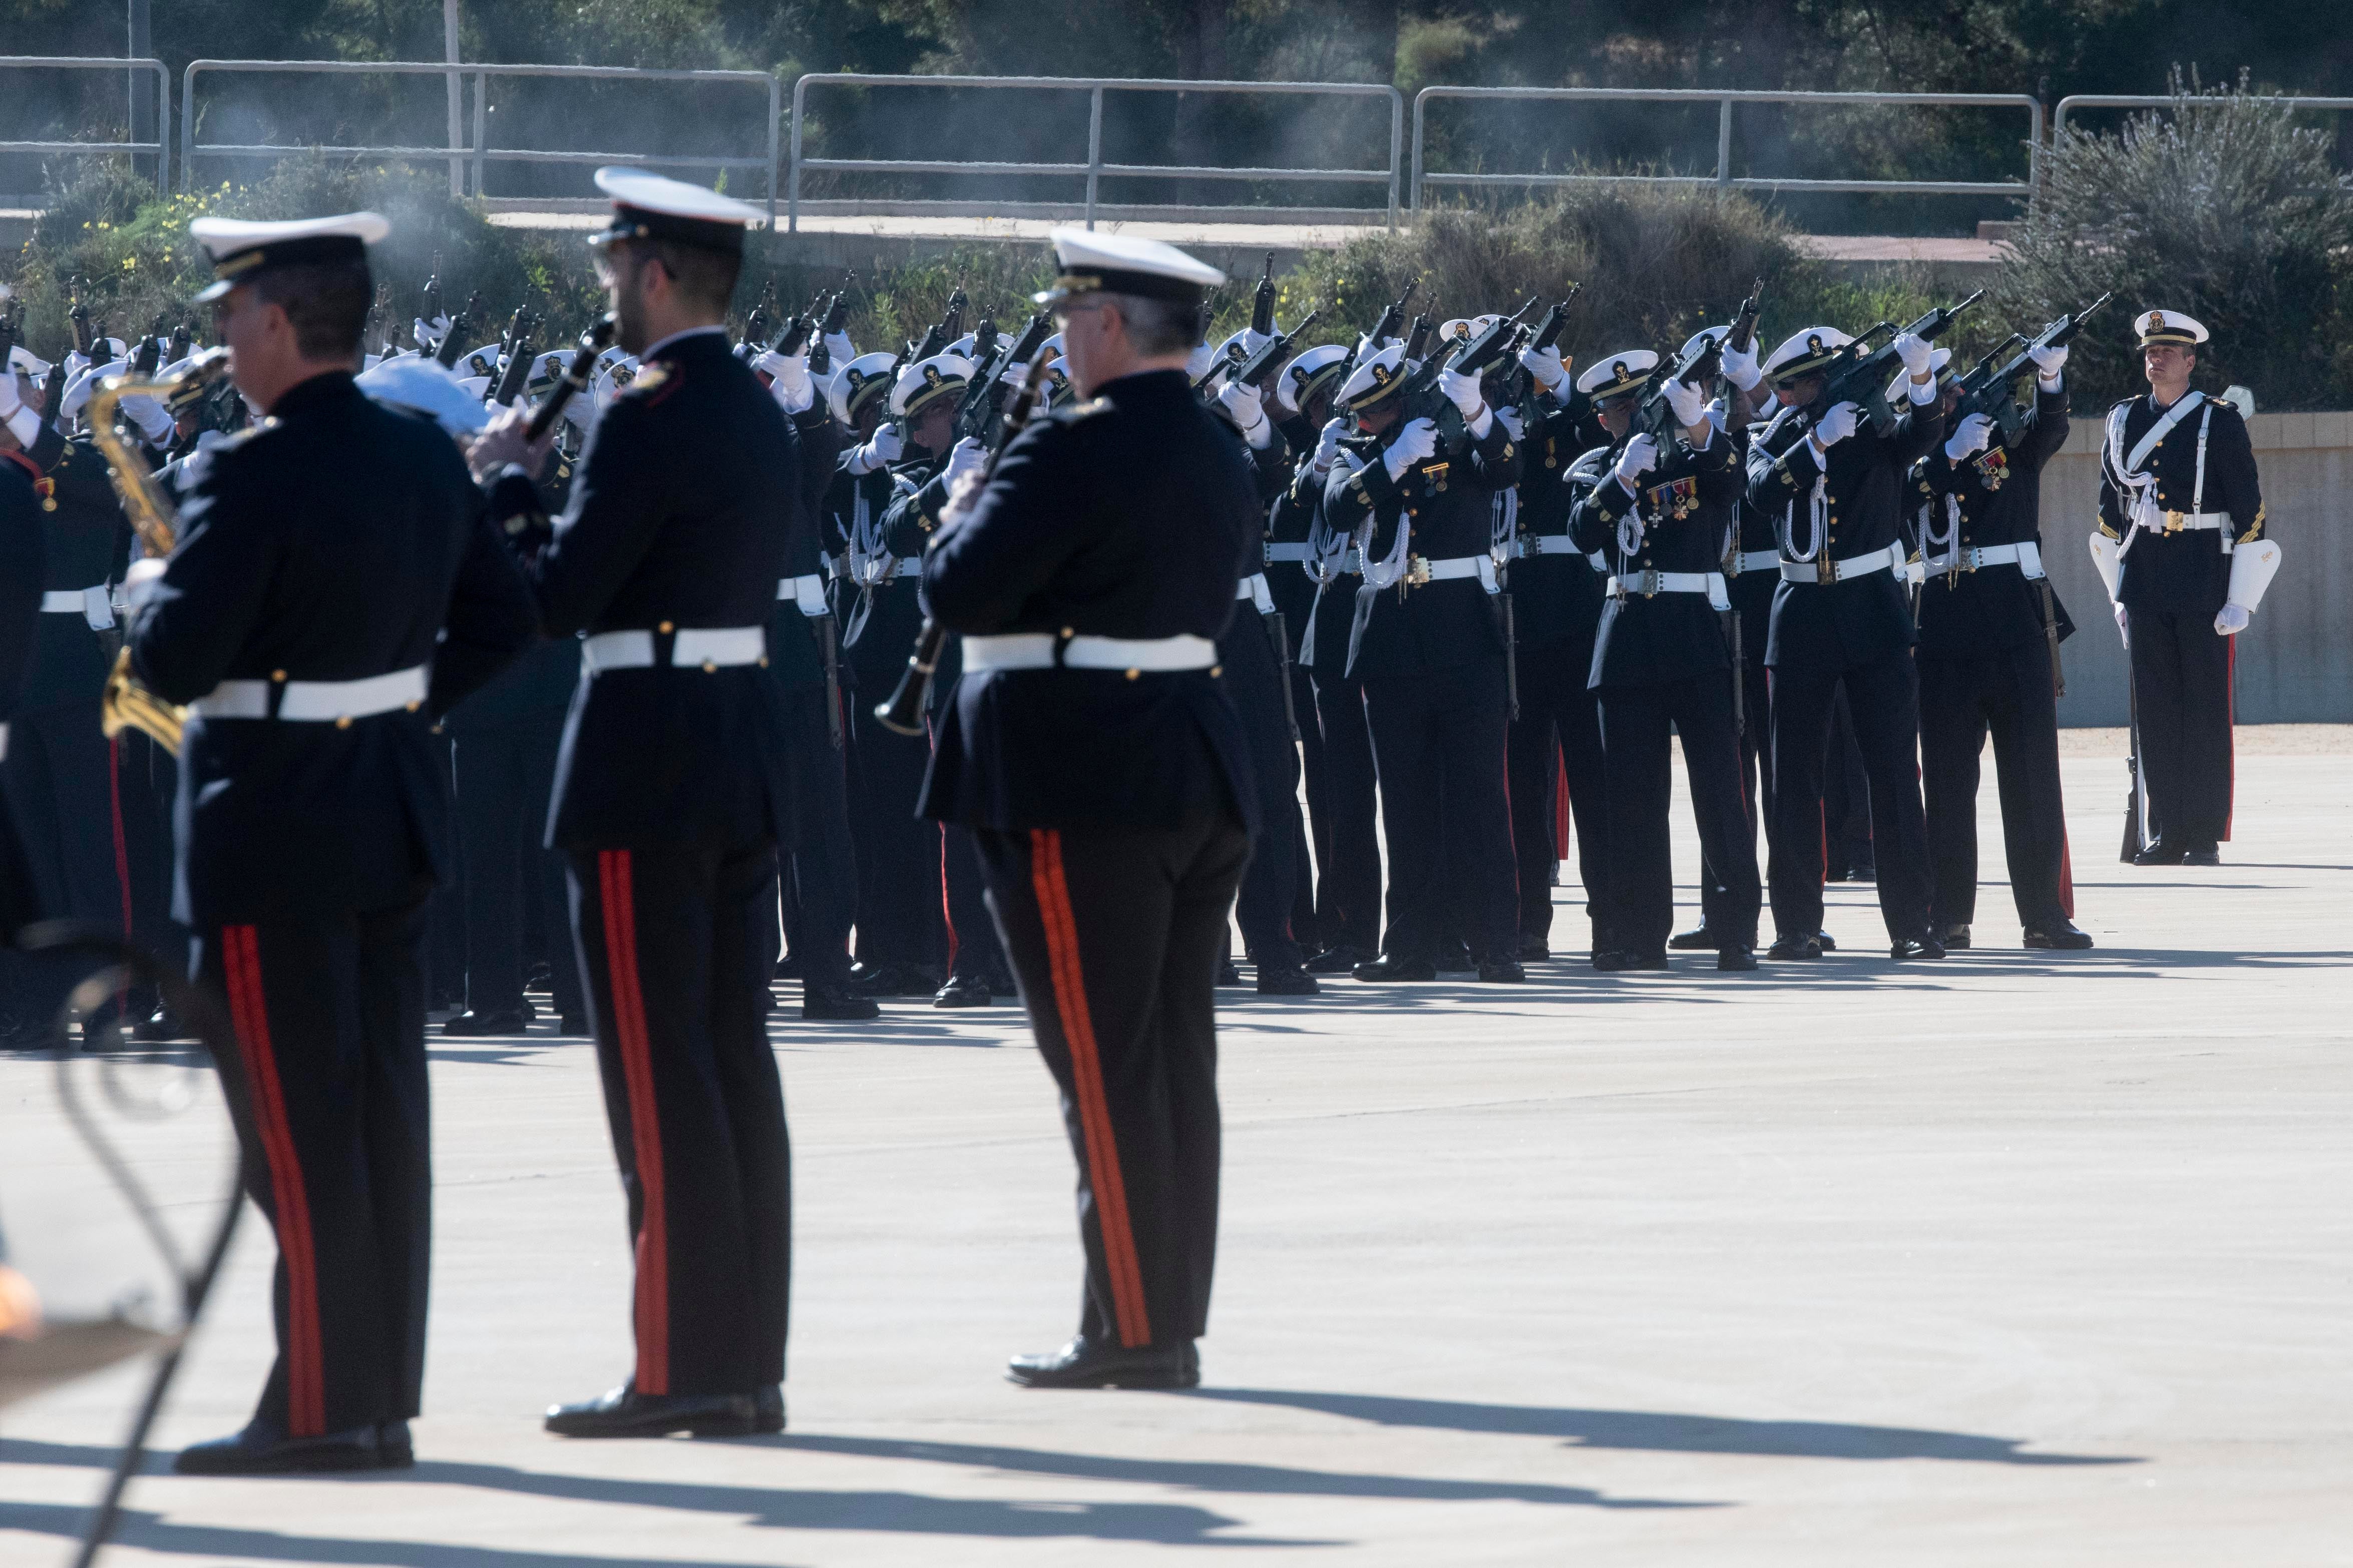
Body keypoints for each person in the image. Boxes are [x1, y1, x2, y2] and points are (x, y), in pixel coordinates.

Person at [126, 211, 535, 1474]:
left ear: (276, 321)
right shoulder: (421, 454)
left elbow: (175, 661)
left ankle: (319, 1404)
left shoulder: (246, 474)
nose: (219, 336)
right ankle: (375, 1391)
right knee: (381, 1121)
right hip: (388, 801)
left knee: (296, 1128)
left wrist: (151, 598)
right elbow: (505, 619)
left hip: (274, 825)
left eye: (228, 314)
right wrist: (393, 702)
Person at [470, 168, 801, 1438]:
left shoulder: (643, 413)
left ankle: (678, 1367)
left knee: (659, 1080)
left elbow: (559, 600)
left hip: (644, 758)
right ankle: (746, 1363)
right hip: (734, 744)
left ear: (654, 273)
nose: (608, 289)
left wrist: (510, 485)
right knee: (731, 1063)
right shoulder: (754, 406)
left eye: (614, 268)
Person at [920, 229, 1256, 1389]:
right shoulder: (1215, 447)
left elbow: (958, 587)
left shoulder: (1068, 446)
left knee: (1104, 1067)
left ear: (1109, 323)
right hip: (1189, 758)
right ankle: (1156, 1307)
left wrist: (963, 510)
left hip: (1081, 771)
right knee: (1170, 1058)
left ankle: (1137, 1332)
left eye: (1070, 317)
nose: (1061, 338)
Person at [1321, 341, 1527, 984]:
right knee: (1405, 804)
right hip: (1393, 645)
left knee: (1479, 797)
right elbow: (1336, 506)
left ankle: (1495, 942)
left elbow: (1506, 469)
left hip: (1464, 637)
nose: (1371, 422)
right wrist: (1391, 460)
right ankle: (1409, 946)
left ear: (1405, 401)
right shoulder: (1359, 453)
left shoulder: (1455, 440)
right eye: (1366, 415)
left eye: (1381, 411)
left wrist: (1476, 414)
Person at [1745, 325, 1946, 961]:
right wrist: (1814, 443)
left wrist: (1921, 381)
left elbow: (1921, 437)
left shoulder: (1871, 426)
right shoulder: (1775, 437)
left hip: (1872, 609)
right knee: (1794, 778)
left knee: (1893, 772)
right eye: (1805, 384)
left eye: (1821, 381)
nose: (1810, 392)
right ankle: (1796, 924)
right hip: (1802, 612)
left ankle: (1912, 925)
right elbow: (1761, 491)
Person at [1565, 345, 1761, 971]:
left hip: (1693, 634)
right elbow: (1581, 531)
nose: (1630, 414)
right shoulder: (1597, 468)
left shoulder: (1697, 456)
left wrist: (1699, 425)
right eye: (1618, 408)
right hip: (1625, 638)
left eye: (1638, 402)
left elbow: (1734, 483)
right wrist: (1621, 479)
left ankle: (1734, 929)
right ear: (1603, 418)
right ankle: (1637, 934)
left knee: (1718, 789)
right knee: (1632, 798)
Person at [1911, 343, 2093, 950]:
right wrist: (1946, 453)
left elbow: (2049, 429)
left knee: (2032, 776)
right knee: (1945, 780)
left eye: (1956, 391)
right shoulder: (1915, 457)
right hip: (1945, 625)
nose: (1954, 401)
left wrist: (2049, 378)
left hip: (2015, 622)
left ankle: (2043, 914)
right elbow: (1903, 498)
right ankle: (1947, 913)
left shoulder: (2007, 444)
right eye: (1942, 394)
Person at [2092, 310, 2271, 867]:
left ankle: (2203, 832)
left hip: (2203, 577)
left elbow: (2249, 512)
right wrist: (2116, 593)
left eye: (2168, 351)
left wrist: (2241, 596)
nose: (2157, 358)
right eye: (2151, 350)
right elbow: (2109, 514)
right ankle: (2167, 830)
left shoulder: (2219, 421)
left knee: (2204, 709)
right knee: (2156, 710)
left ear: (2191, 361)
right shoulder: (2123, 420)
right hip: (2144, 578)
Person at [1504, 332, 1612, 961]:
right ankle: (1526, 921)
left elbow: (1602, 436)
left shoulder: (1567, 421)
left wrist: (1565, 390)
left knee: (1592, 778)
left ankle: (1610, 920)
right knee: (1522, 781)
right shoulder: (1491, 429)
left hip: (1573, 609)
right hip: (1514, 615)